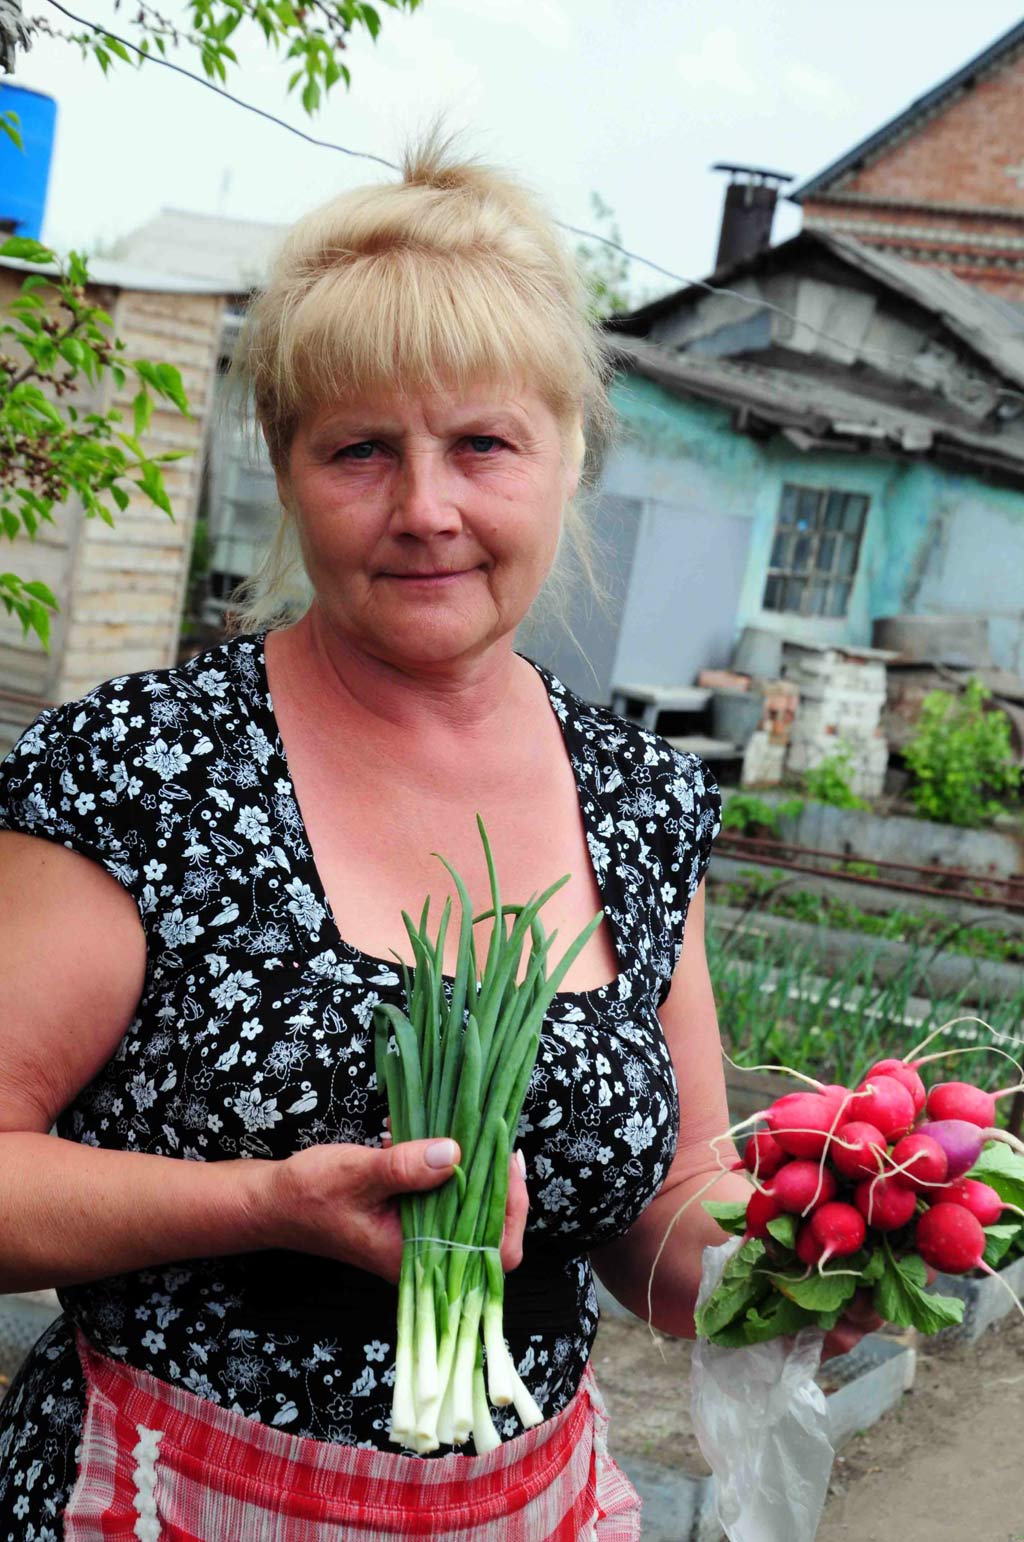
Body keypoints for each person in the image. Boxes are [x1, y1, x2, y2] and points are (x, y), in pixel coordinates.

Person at [0, 136, 874, 1539]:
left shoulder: (640, 807)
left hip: (533, 1508)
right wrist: (263, 1202)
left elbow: (665, 1221)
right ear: (286, 467)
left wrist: (807, 1267)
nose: (425, 508)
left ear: (565, 455)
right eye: (359, 449)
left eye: (480, 443)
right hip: (168, 1498)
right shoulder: (142, 769)